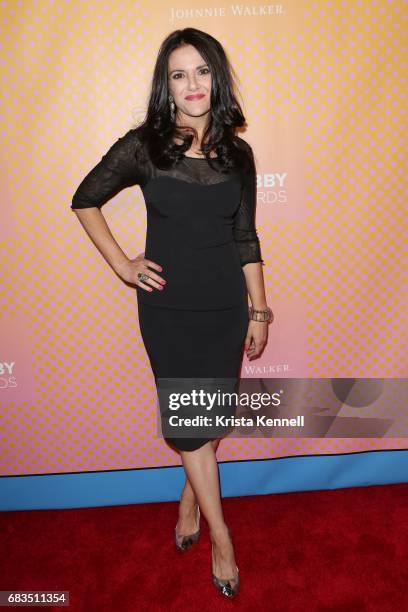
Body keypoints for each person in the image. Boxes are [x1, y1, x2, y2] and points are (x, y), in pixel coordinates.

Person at [70, 27, 273, 599]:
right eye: (179, 74)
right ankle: (222, 537)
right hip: (168, 309)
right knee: (190, 425)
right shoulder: (144, 146)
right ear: (167, 85)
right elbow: (85, 199)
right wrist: (121, 264)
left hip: (225, 308)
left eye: (202, 71)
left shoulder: (238, 153)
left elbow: (246, 236)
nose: (192, 85)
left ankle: (189, 499)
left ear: (217, 77)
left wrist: (259, 311)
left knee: (208, 419)